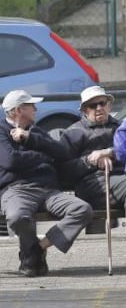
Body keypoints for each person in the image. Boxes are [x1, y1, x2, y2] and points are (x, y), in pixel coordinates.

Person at [0, 90, 93, 277]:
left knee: (82, 210)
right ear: (18, 110)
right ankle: (33, 256)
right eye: (31, 105)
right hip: (17, 189)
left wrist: (29, 138)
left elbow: (62, 152)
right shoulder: (1, 130)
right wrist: (42, 156)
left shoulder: (36, 131)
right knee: (17, 216)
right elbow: (10, 161)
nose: (36, 108)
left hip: (49, 190)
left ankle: (35, 250)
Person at [59, 85, 126, 262]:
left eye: (102, 103)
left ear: (108, 105)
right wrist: (90, 161)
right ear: (85, 110)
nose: (99, 108)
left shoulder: (121, 127)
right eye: (93, 105)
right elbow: (63, 171)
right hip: (93, 186)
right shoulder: (73, 133)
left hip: (124, 181)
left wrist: (110, 152)